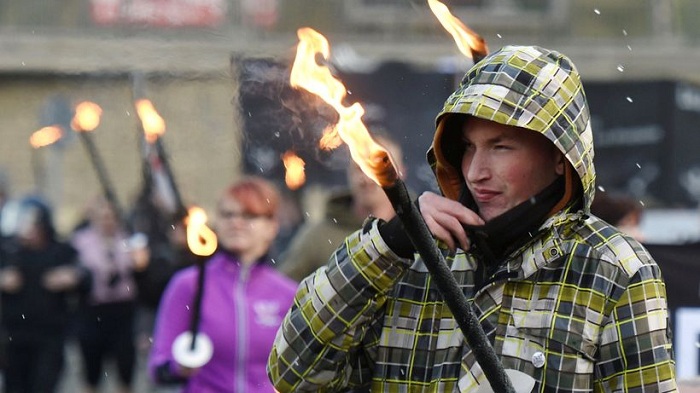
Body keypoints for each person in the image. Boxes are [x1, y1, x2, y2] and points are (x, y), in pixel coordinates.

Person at [268, 45, 677, 392]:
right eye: (467, 147)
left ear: (559, 157)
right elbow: (294, 374)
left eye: (500, 147)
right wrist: (387, 246)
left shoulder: (614, 268)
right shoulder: (404, 258)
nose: (476, 171)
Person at [149, 176, 298, 392]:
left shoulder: (288, 293)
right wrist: (179, 366)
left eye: (249, 215)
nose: (236, 222)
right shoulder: (188, 284)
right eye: (228, 214)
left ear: (271, 226)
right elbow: (158, 367)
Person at [278, 133, 405, 282]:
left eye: (377, 167)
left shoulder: (421, 230)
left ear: (400, 172)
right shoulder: (317, 237)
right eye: (359, 168)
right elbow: (282, 294)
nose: (366, 178)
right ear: (349, 173)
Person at [0, 196, 92, 393]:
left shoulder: (60, 251)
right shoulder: (8, 250)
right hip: (14, 337)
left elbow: (86, 277)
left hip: (50, 337)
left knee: (43, 385)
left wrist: (73, 276)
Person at [71, 195, 139, 393]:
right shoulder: (81, 241)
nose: (107, 221)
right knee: (92, 370)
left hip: (122, 311)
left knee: (125, 367)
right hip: (93, 311)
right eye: (103, 216)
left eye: (111, 216)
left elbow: (139, 271)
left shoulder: (128, 240)